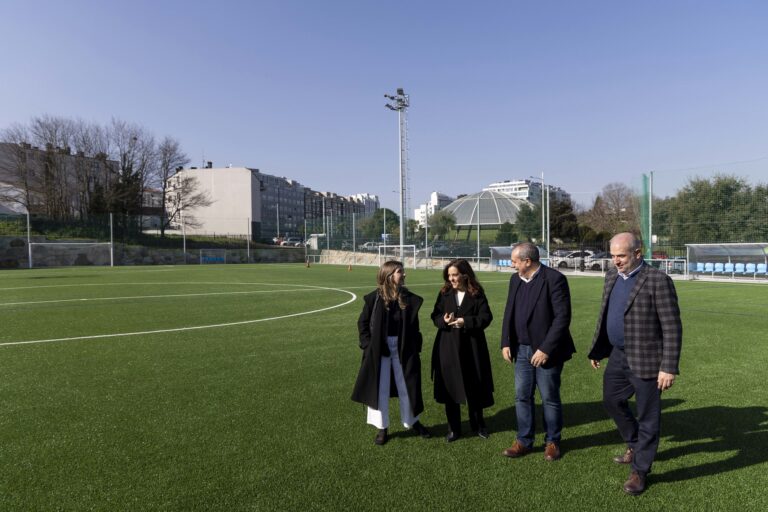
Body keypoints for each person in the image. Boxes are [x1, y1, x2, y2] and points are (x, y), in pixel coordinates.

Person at [588, 232, 682, 496]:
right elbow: (606, 314)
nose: (615, 261)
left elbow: (672, 326)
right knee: (611, 400)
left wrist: (668, 366)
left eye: (621, 256)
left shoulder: (658, 281)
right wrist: (598, 349)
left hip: (648, 359)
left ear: (638, 254)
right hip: (618, 355)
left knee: (648, 416)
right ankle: (634, 444)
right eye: (613, 255)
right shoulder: (611, 277)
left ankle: (640, 471)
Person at [499, 242, 575, 461]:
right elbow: (509, 312)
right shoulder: (515, 280)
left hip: (546, 352)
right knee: (522, 395)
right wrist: (506, 342)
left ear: (527, 261)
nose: (512, 265)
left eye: (514, 261)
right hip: (521, 349)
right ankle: (523, 440)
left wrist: (545, 349)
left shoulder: (554, 279)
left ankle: (552, 441)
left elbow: (562, 318)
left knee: (549, 397)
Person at [351, 260, 431, 445]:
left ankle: (413, 422)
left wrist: (415, 346)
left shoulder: (408, 298)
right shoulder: (374, 298)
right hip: (379, 349)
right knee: (381, 387)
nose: (404, 275)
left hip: (404, 348)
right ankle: (382, 428)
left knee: (407, 386)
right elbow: (362, 323)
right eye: (400, 272)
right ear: (389, 276)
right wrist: (368, 346)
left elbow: (414, 327)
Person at [431, 258, 494, 442]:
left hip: (472, 347)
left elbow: (486, 317)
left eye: (455, 275)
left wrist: (465, 321)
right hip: (448, 346)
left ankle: (478, 424)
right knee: (450, 387)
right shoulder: (444, 293)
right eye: (449, 275)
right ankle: (454, 428)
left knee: (474, 385)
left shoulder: (476, 293)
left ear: (465, 275)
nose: (451, 279)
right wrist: (444, 320)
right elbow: (435, 315)